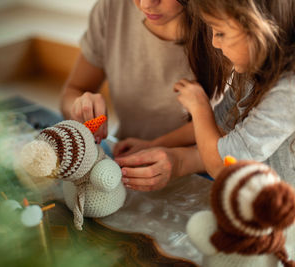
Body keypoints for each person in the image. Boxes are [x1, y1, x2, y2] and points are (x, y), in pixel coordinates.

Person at [116, 0, 295, 190]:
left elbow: (223, 165)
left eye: (220, 33)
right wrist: (156, 145)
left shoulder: (288, 91)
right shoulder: (252, 69)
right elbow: (219, 127)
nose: (214, 43)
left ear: (258, 28)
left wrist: (199, 106)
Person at [60, 0, 226, 144]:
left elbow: (234, 132)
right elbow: (72, 91)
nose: (146, 4)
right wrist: (80, 108)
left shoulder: (228, 22)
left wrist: (161, 149)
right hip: (126, 155)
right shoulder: (112, 8)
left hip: (203, 165)